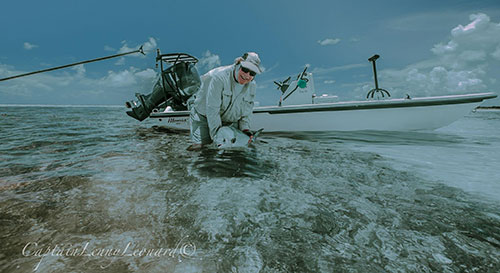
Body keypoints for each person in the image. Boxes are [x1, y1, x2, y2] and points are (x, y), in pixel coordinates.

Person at [188, 52, 262, 149]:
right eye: (245, 69)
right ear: (238, 64)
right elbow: (212, 109)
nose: (247, 76)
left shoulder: (252, 86)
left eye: (252, 73)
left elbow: (246, 112)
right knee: (200, 148)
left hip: (228, 119)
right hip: (204, 115)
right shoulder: (219, 78)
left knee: (234, 150)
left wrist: (245, 130)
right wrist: (217, 139)